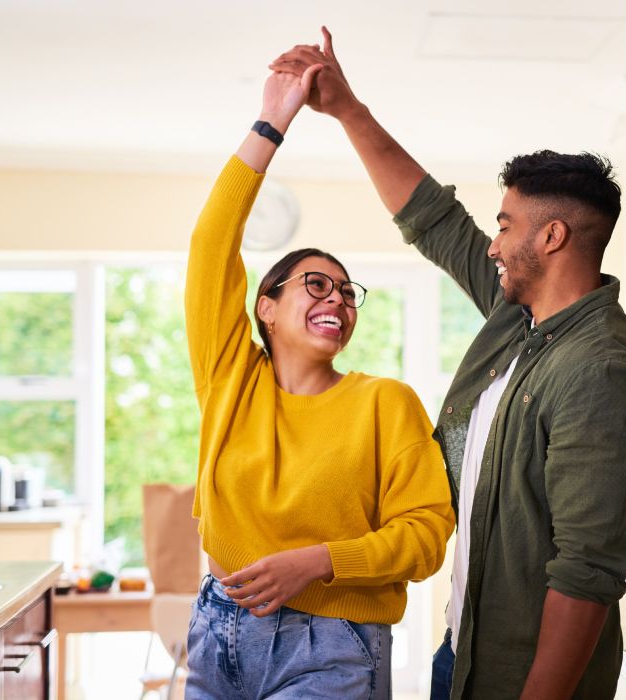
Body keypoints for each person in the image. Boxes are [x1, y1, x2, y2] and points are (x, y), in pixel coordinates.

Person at [270, 29, 626, 700]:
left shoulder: (596, 371)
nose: (493, 244)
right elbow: (434, 219)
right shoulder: (522, 319)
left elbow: (587, 573)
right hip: (464, 654)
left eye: (506, 225)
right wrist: (345, 108)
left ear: (551, 237)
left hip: (522, 682)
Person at [183, 63, 454, 700]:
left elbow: (426, 535)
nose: (337, 297)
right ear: (266, 308)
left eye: (345, 290)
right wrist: (272, 122)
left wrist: (318, 561)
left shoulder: (385, 403)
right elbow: (209, 247)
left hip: (333, 640)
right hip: (218, 628)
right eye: (315, 283)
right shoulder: (230, 381)